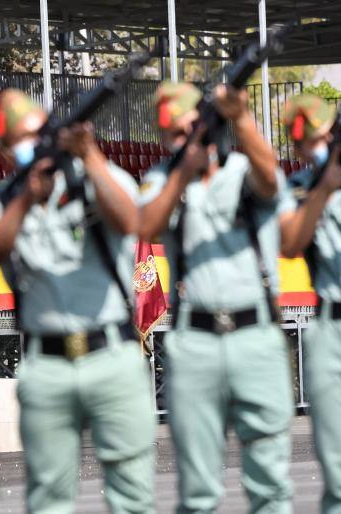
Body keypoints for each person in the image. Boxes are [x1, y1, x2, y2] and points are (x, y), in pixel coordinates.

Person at [0, 89, 154, 513]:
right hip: (46, 364)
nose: (30, 147)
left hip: (111, 352)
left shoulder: (100, 180)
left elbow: (131, 220)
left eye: (37, 136)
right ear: (1, 151)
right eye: (18, 140)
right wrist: (25, 198)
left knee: (133, 495)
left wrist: (89, 156)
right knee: (49, 498)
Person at [138, 82, 293, 513]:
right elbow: (147, 225)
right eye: (174, 133)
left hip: (254, 334)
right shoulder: (160, 179)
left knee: (271, 483)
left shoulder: (243, 168)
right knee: (199, 489)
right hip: (196, 342)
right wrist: (182, 172)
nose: (186, 140)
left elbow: (270, 180)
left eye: (192, 128)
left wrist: (241, 117)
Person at [278, 94, 341, 514]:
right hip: (331, 325)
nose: (311, 150)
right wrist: (325, 186)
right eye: (303, 144)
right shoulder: (299, 185)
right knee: (336, 466)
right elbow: (291, 244)